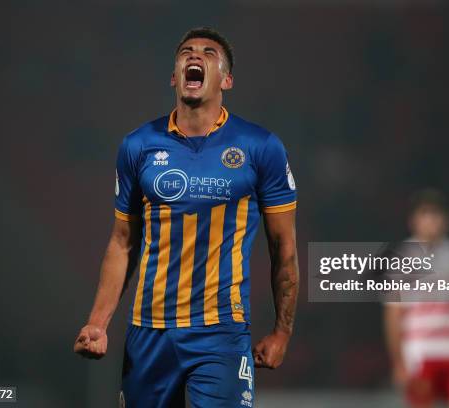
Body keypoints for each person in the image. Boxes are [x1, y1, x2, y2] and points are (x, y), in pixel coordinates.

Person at [73, 27, 299, 408]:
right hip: (148, 332)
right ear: (175, 76)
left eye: (209, 53)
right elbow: (122, 242)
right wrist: (97, 322)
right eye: (186, 52)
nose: (196, 55)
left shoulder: (260, 147)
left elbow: (284, 249)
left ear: (226, 79)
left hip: (220, 333)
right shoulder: (138, 145)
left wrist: (282, 331)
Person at [384, 190, 449, 408]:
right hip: (420, 352)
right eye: (426, 213)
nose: (432, 220)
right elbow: (393, 314)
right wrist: (398, 362)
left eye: (436, 214)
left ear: (446, 219)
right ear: (413, 220)